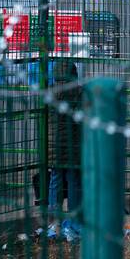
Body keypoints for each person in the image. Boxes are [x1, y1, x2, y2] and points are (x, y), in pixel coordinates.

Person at [46, 59, 83, 216]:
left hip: (53, 143)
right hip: (72, 142)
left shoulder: (50, 91)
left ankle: (54, 212)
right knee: (73, 179)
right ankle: (74, 212)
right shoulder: (79, 91)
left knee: (56, 178)